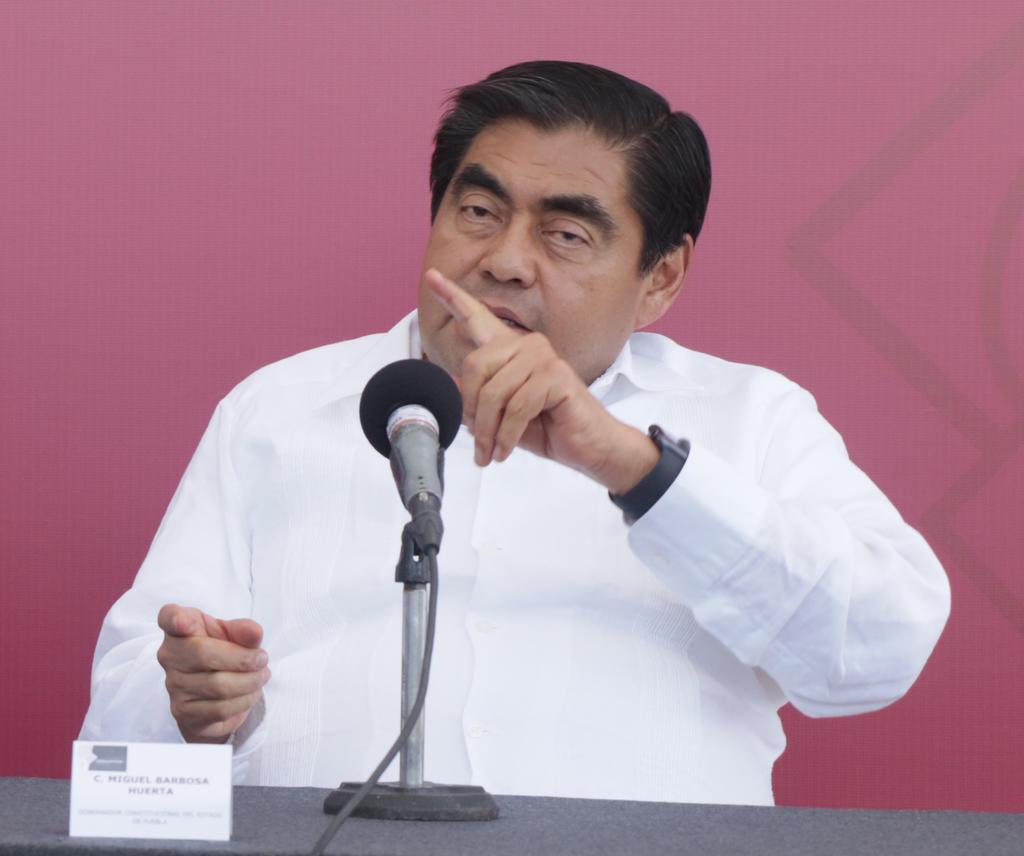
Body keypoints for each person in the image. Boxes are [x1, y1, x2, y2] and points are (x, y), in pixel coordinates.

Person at [81, 61, 950, 806]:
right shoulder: (277, 411)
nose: (503, 259)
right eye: (478, 211)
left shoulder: (752, 416)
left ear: (660, 277)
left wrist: (634, 467)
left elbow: (877, 651)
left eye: (565, 233)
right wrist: (191, 704)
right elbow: (119, 734)